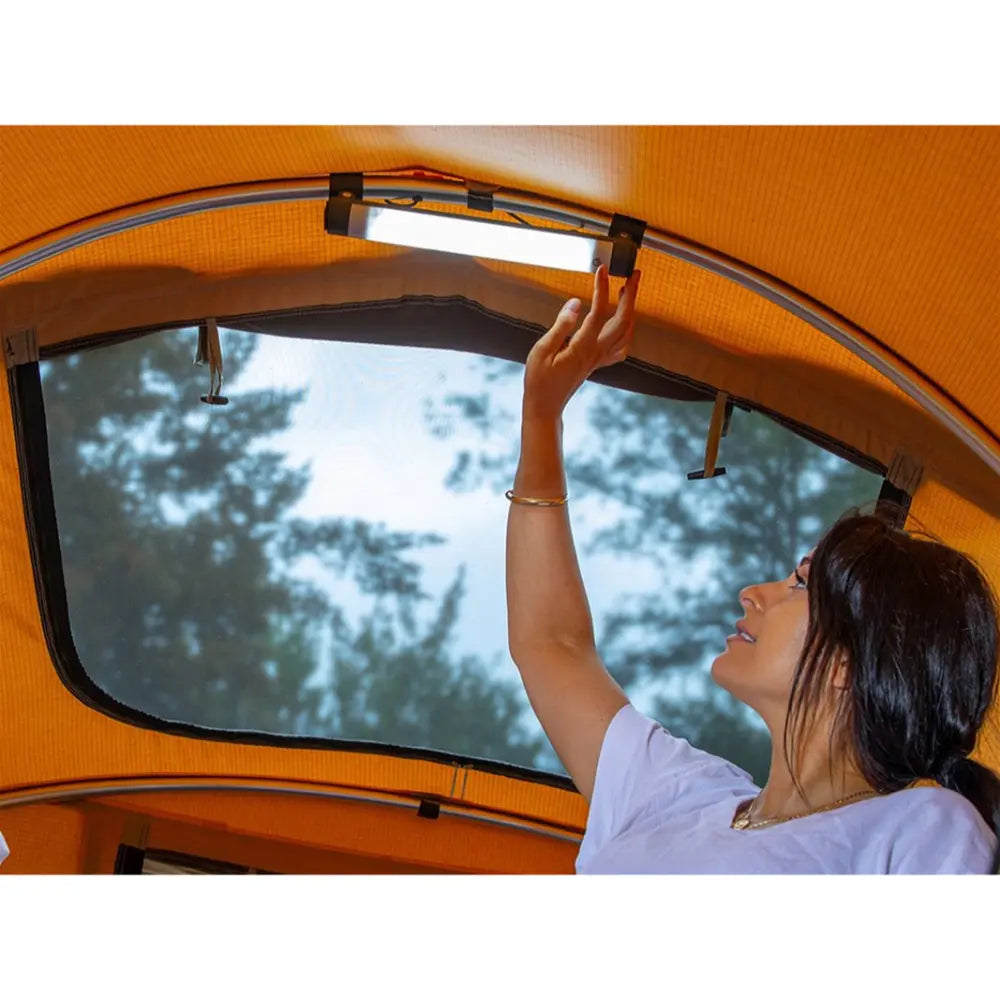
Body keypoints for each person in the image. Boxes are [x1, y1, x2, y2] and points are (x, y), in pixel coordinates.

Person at [505, 265, 1000, 874]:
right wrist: (541, 419)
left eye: (799, 585)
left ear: (847, 662)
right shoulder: (680, 794)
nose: (752, 593)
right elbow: (550, 645)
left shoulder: (922, 830)